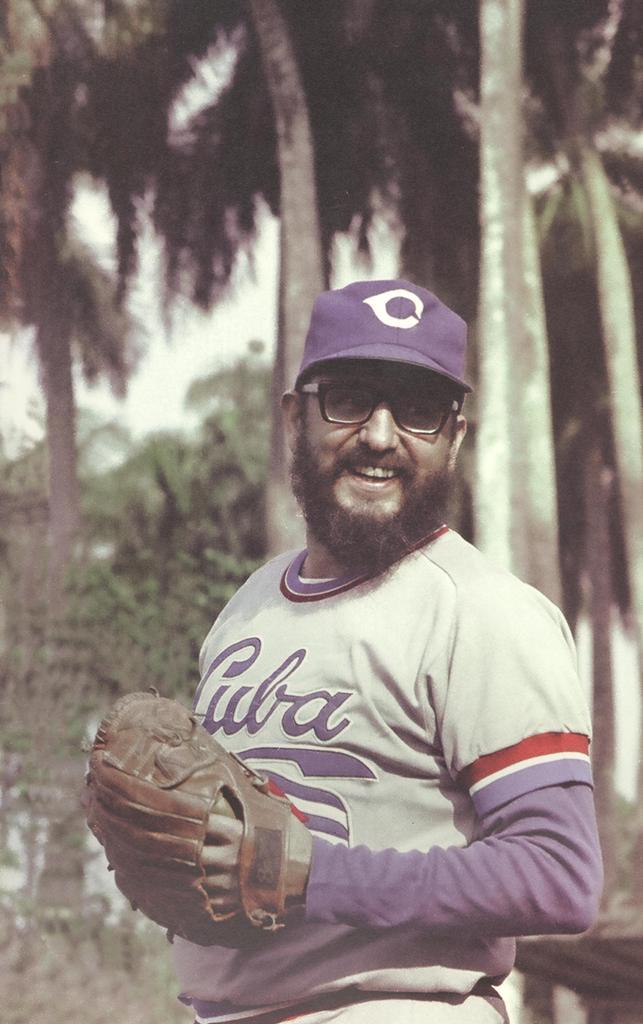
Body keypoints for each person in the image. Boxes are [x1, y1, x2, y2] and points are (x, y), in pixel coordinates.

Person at [174, 280, 603, 1024]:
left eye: (417, 410)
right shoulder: (248, 605)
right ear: (293, 417)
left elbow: (558, 874)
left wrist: (317, 877)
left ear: (454, 437)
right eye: (348, 398)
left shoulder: (482, 612)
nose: (379, 434)